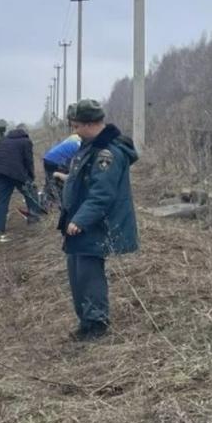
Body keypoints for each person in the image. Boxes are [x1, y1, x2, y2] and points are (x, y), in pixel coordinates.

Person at [59, 99, 138, 340]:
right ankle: (85, 322)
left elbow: (102, 194)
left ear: (91, 123)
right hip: (82, 222)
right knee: (77, 273)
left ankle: (96, 325)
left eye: (77, 126)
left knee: (89, 274)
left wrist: (80, 220)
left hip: (96, 225)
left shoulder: (107, 153)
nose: (75, 131)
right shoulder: (89, 145)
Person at [0, 123, 42, 242]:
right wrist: (31, 177)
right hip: (16, 172)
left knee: (1, 199)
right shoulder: (25, 141)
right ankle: (34, 218)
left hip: (0, 171)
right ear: (25, 132)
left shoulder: (4, 139)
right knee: (30, 192)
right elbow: (29, 161)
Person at [42, 132, 81, 209]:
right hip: (54, 160)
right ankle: (62, 204)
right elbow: (74, 163)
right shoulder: (79, 146)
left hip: (48, 158)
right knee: (59, 182)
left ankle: (46, 199)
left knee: (50, 181)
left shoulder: (71, 141)